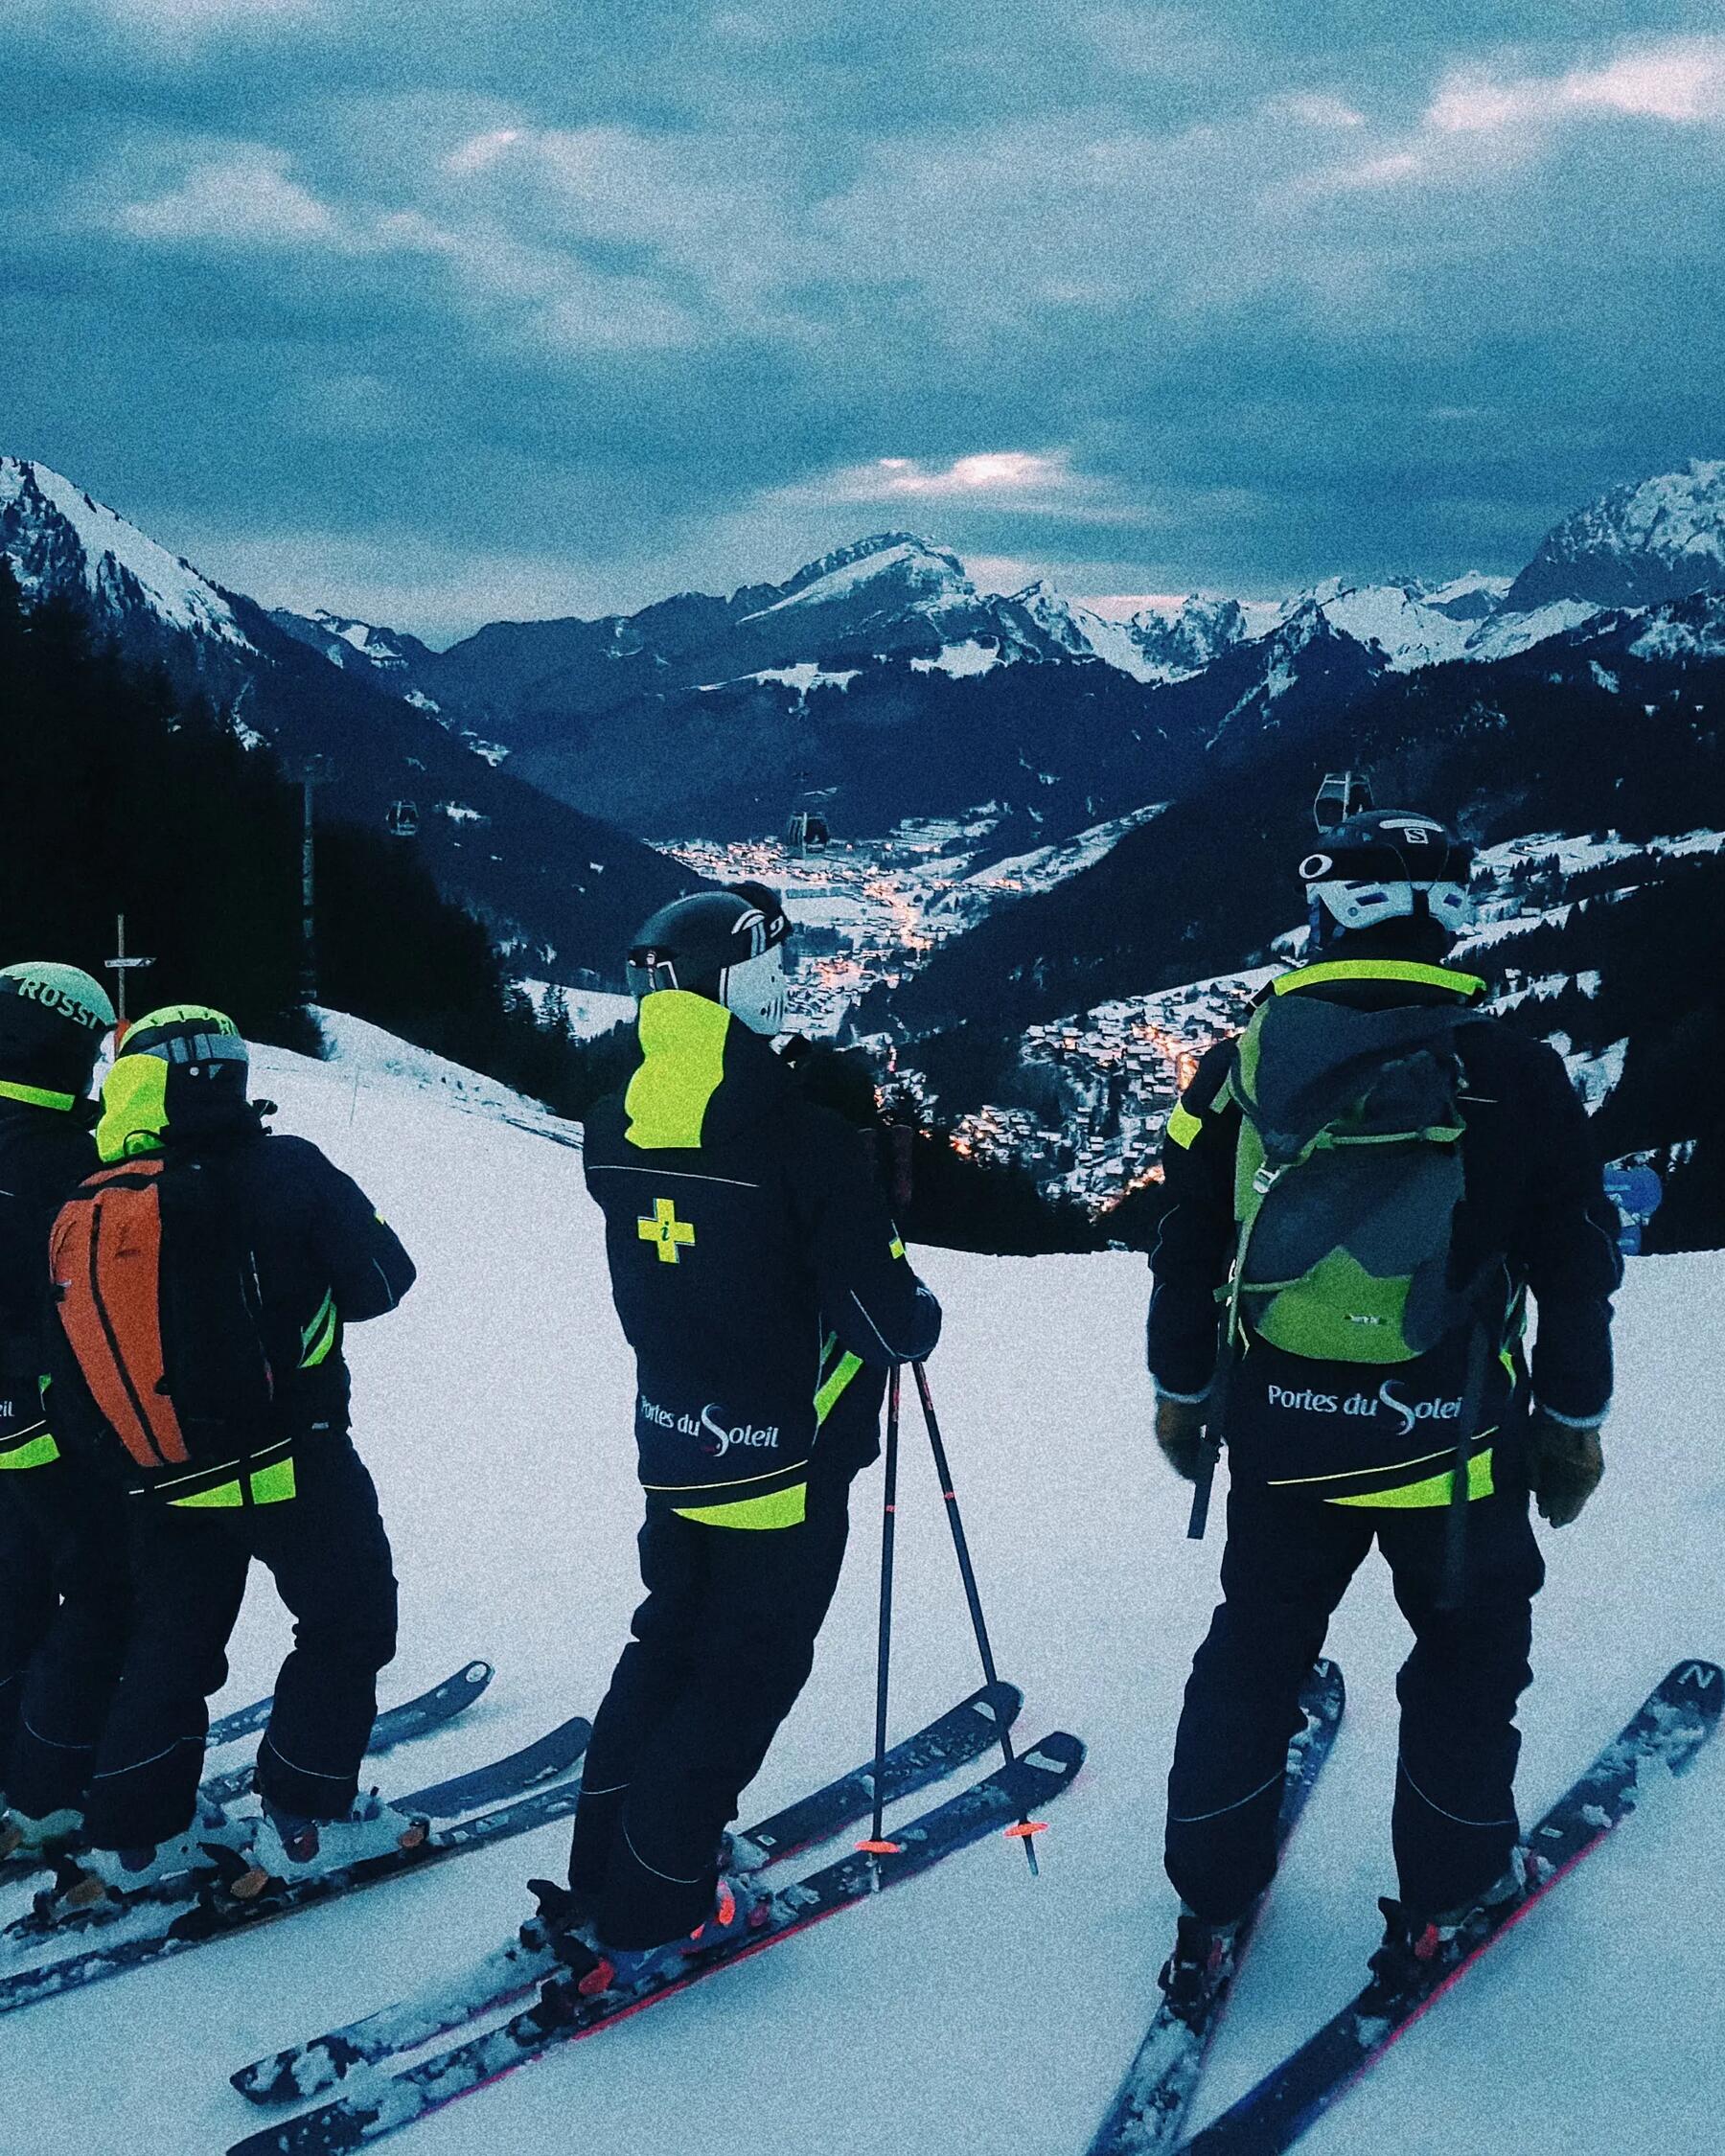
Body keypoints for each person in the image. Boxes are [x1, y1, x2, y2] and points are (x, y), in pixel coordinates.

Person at [1146, 810, 1622, 2015]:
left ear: (1327, 914)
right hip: (1452, 1452)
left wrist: (1183, 1392)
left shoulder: (1246, 1058)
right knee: (1466, 1667)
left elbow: (1188, 1236)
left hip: (1283, 1438)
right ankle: (1447, 1895)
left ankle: (1208, 1899)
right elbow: (1574, 1257)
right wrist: (1572, 1416)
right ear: (1447, 914)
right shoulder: (1510, 1069)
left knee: (1253, 1660)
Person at [561, 882, 941, 1992]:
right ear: (750, 985)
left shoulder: (610, 1121)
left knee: (664, 1651)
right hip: (785, 1462)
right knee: (743, 1673)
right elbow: (881, 1321)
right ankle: (658, 1900)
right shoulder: (804, 1139)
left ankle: (606, 1872)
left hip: (673, 1443)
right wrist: (892, 1248)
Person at [44, 1004, 420, 1901]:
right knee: (347, 1622)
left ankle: (135, 1841)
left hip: (161, 1470)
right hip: (297, 1457)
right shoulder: (287, 1168)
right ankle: (308, 1817)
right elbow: (382, 1282)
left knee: (170, 1643)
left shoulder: (97, 1197)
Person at [0, 961, 132, 1862]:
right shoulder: (64, 1161)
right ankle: (50, 1785)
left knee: (11, 1586)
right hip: (44, 1415)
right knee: (98, 1591)